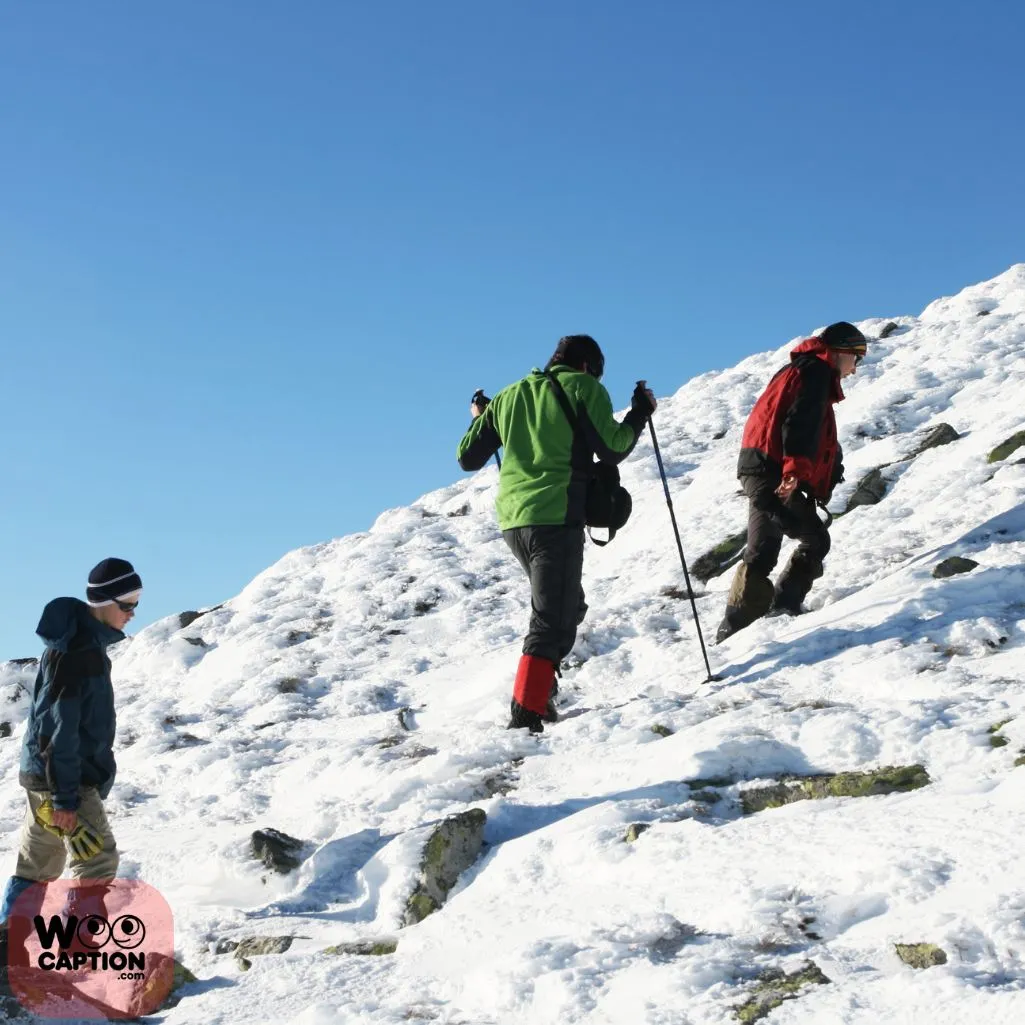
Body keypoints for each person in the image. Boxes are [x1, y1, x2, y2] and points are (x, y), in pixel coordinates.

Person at [457, 335, 656, 732]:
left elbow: (468, 457)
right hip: (555, 518)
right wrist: (639, 413)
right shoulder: (583, 387)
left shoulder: (510, 395)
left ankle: (540, 689)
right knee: (551, 619)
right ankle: (527, 714)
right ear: (587, 366)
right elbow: (613, 447)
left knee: (567, 604)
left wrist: (483, 417)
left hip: (514, 522)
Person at [0, 558, 142, 932]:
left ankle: (7, 952)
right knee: (96, 862)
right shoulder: (79, 653)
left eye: (136, 604)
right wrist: (65, 799)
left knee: (37, 864)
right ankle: (79, 954)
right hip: (66, 778)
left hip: (43, 776)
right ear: (102, 602)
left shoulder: (74, 645)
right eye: (127, 604)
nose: (132, 613)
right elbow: (58, 729)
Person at [715, 322, 867, 643]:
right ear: (840, 351)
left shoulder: (796, 369)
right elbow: (799, 425)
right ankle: (783, 607)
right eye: (858, 357)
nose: (856, 368)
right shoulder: (815, 374)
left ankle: (732, 633)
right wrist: (793, 472)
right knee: (815, 540)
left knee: (761, 553)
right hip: (776, 473)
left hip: (756, 466)